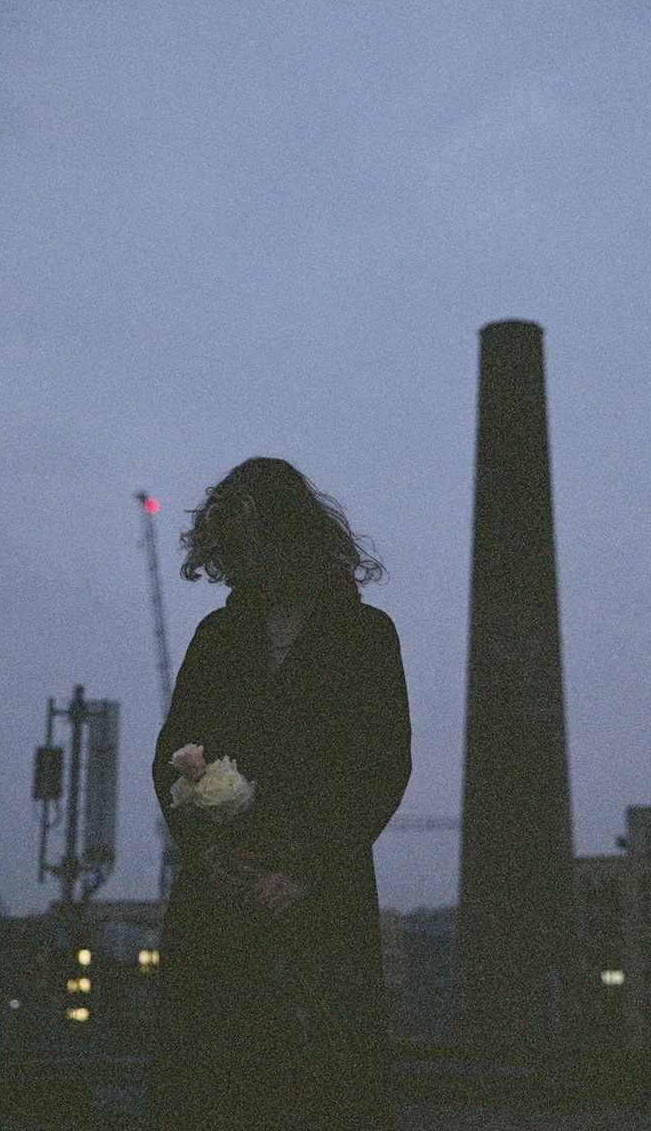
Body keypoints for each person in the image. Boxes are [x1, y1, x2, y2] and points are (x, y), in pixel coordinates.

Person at [145, 457, 412, 1131]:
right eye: (229, 549)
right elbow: (172, 755)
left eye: (247, 545)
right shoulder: (215, 638)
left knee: (319, 1090)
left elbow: (382, 768)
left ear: (290, 537)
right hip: (218, 910)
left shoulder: (367, 636)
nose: (237, 564)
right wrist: (206, 852)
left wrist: (306, 869)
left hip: (320, 913)